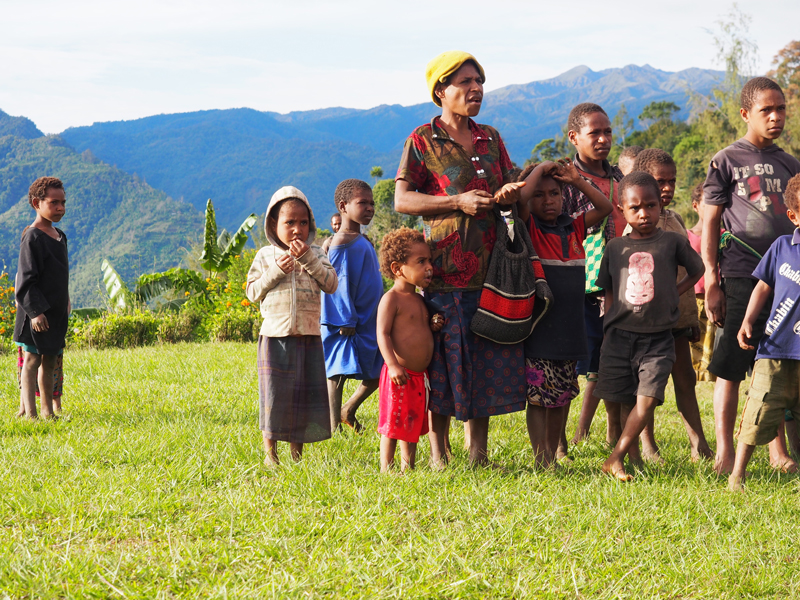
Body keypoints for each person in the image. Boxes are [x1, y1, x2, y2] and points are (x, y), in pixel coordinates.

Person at [394, 50, 525, 467]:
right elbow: (401, 199)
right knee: (446, 363)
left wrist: (509, 192)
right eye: (465, 82)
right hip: (444, 274)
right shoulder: (421, 140)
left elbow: (508, 185)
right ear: (440, 91)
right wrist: (456, 201)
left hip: (491, 271)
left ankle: (478, 454)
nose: (475, 89)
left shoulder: (491, 137)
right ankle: (439, 453)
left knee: (484, 360)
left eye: (479, 82)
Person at [701, 77, 800, 475]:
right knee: (730, 363)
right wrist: (711, 278)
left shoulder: (791, 163)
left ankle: (780, 454)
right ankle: (725, 452)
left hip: (789, 277)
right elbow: (708, 220)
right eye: (766, 110)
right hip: (742, 273)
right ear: (746, 114)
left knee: (781, 360)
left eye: (781, 109)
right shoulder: (726, 160)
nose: (776, 117)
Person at [595, 172, 703, 481]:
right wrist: (609, 323)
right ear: (622, 209)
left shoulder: (672, 241)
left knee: (647, 398)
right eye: (636, 208)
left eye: (651, 206)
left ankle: (614, 458)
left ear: (660, 207)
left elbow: (698, 270)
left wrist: (674, 292)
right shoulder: (615, 248)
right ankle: (633, 461)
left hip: (658, 339)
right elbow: (609, 289)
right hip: (619, 337)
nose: (644, 214)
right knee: (623, 400)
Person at [517, 159, 612, 467]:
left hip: (570, 326)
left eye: (555, 193)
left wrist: (576, 180)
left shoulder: (573, 225)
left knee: (560, 396)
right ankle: (541, 456)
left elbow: (605, 206)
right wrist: (540, 168)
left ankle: (554, 455)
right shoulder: (528, 227)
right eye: (540, 194)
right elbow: (519, 199)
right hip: (541, 328)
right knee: (538, 398)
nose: (549, 200)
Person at [626, 149, 713, 463]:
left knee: (685, 379)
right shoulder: (635, 225)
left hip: (677, 319)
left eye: (671, 181)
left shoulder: (674, 219)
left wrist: (687, 314)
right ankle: (648, 446)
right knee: (647, 385)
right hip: (647, 323)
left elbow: (690, 270)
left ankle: (699, 444)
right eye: (660, 181)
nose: (667, 188)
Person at [246, 186, 338, 466]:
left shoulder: (317, 254)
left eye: (303, 222)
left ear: (310, 223)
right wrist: (276, 271)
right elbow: (251, 292)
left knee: (302, 396)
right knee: (275, 396)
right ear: (274, 224)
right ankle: (270, 455)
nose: (296, 229)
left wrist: (308, 260)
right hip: (275, 336)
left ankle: (296, 456)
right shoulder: (265, 256)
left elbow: (331, 284)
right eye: (289, 223)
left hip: (309, 335)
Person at [729, 173, 800, 490]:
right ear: (794, 215)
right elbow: (762, 286)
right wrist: (747, 321)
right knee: (758, 409)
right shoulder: (782, 247)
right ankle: (737, 475)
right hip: (775, 349)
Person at [561, 103, 624, 450]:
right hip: (578, 284)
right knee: (571, 363)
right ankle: (560, 440)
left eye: (607, 132)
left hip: (619, 284)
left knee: (610, 360)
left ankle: (611, 434)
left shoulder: (618, 179)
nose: (603, 139)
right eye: (594, 133)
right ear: (574, 138)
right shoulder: (565, 181)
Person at [376, 228, 444, 471]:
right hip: (399, 375)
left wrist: (434, 325)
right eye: (421, 261)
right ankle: (387, 466)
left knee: (412, 422)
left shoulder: (420, 298)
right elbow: (382, 333)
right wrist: (393, 365)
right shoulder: (391, 299)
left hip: (419, 378)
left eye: (430, 261)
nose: (429, 267)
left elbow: (420, 328)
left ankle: (409, 466)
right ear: (397, 268)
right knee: (393, 423)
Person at [322, 179, 383, 433]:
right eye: (363, 203)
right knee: (338, 372)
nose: (369, 208)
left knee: (379, 368)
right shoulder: (341, 243)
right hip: (348, 322)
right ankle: (333, 424)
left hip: (370, 318)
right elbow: (339, 283)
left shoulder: (359, 239)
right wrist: (346, 320)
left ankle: (349, 409)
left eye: (372, 203)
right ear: (343, 206)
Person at [14, 177, 69, 420]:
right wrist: (36, 313)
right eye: (54, 202)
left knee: (50, 362)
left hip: (55, 312)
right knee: (32, 360)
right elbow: (26, 281)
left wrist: (66, 300)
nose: (60, 208)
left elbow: (60, 276)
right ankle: (31, 414)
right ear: (37, 203)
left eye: (63, 202)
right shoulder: (33, 237)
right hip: (35, 314)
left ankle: (48, 412)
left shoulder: (60, 236)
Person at [687, 182, 717, 383]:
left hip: (713, 296)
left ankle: (709, 373)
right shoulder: (686, 236)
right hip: (692, 297)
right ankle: (691, 373)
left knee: (711, 338)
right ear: (695, 205)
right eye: (708, 203)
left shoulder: (723, 235)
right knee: (693, 338)